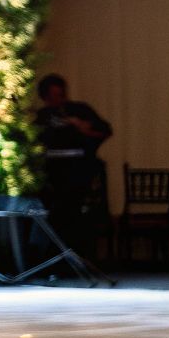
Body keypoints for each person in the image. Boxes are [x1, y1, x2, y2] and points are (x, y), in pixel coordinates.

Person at [35, 74, 112, 256]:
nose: (58, 99)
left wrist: (83, 127)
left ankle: (80, 251)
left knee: (77, 212)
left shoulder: (79, 110)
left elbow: (104, 131)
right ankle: (54, 252)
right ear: (45, 97)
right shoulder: (42, 117)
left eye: (61, 94)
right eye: (53, 96)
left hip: (78, 170)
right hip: (52, 172)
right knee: (55, 212)